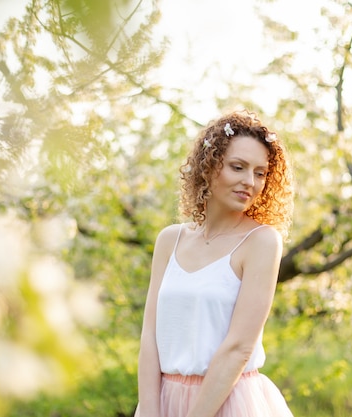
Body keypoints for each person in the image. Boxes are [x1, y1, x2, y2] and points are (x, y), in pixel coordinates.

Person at [135, 110, 294, 417]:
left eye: (260, 173)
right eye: (238, 167)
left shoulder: (261, 242)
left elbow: (238, 348)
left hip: (229, 401)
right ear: (208, 167)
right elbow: (149, 337)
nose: (250, 182)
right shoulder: (170, 240)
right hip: (163, 400)